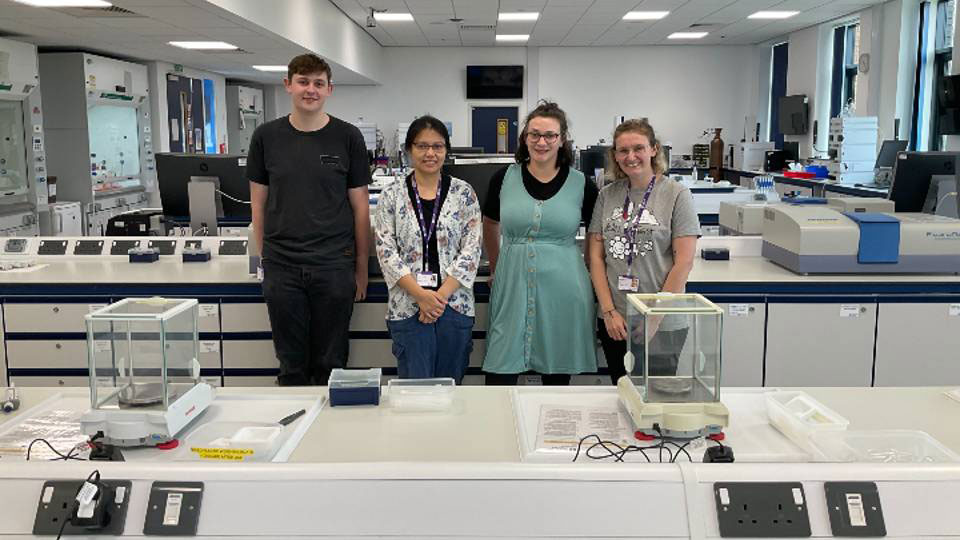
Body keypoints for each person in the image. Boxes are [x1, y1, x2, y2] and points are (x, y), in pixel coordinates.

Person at [247, 54, 372, 386]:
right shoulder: (265, 137)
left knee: (332, 362)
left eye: (318, 83)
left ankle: (331, 434)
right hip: (282, 266)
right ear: (288, 85)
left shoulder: (348, 137)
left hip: (334, 265)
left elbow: (360, 206)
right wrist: (267, 258)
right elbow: (257, 204)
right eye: (303, 82)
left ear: (329, 89)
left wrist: (360, 267)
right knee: (291, 364)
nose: (310, 90)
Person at [482, 101, 599, 386]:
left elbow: (596, 239)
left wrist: (590, 273)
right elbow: (490, 223)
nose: (542, 142)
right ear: (524, 138)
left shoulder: (583, 184)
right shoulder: (503, 178)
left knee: (556, 373)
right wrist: (497, 267)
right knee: (500, 372)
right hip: (512, 281)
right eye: (534, 134)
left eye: (550, 135)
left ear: (562, 140)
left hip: (565, 287)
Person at [587, 118, 700, 385]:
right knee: (621, 391)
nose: (631, 156)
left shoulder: (676, 194)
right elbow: (595, 256)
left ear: (653, 149)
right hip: (617, 319)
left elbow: (683, 262)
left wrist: (654, 317)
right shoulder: (607, 195)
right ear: (615, 155)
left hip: (663, 321)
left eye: (638, 148)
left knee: (655, 398)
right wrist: (608, 312)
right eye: (623, 151)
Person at [374, 116, 482, 383]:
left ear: (446, 150)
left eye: (438, 146)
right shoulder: (392, 195)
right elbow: (386, 251)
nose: (430, 153)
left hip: (454, 305)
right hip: (408, 306)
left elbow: (472, 249)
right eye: (422, 146)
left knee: (451, 392)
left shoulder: (463, 194)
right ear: (409, 150)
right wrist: (421, 296)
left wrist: (439, 297)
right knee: (414, 393)